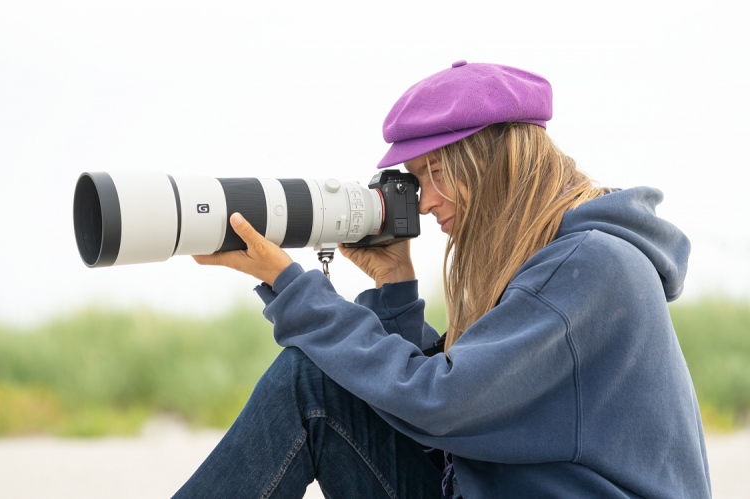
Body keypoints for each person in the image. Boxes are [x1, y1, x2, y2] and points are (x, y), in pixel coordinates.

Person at [173, 61, 711, 498]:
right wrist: (395, 289)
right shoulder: (559, 258)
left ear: (493, 161)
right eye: (417, 178)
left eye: (438, 171)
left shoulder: (590, 266)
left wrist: (292, 286)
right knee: (314, 382)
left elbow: (442, 406)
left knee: (308, 383)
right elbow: (452, 423)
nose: (426, 202)